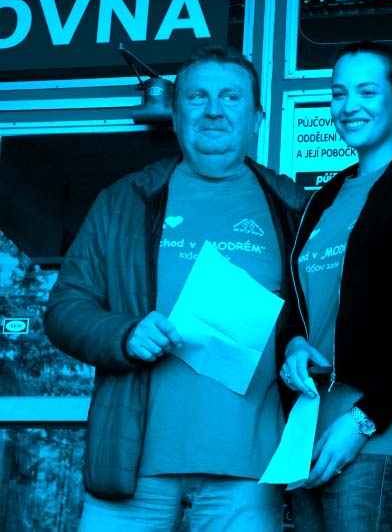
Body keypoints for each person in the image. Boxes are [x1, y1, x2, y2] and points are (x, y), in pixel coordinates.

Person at [44, 43, 307, 532]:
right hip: (132, 468)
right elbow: (63, 308)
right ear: (175, 113)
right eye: (197, 96)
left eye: (231, 97)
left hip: (249, 476)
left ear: (257, 116)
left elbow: (318, 319)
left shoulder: (295, 207)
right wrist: (123, 334)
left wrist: (299, 345)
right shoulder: (123, 200)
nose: (213, 110)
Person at [277, 40, 392, 532]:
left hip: (379, 429)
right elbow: (300, 304)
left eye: (366, 91)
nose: (349, 106)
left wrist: (364, 419)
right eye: (339, 93)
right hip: (309, 427)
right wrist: (294, 343)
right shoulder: (324, 197)